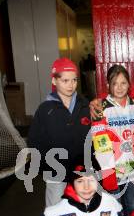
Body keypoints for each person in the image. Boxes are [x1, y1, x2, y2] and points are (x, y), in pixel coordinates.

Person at [28, 58, 91, 207]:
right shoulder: (45, 109)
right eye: (65, 81)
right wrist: (47, 165)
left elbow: (94, 136)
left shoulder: (85, 105)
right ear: (55, 81)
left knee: (82, 210)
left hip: (81, 171)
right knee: (55, 211)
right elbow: (35, 141)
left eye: (74, 80)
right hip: (56, 172)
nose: (71, 85)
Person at [92, 64, 134, 216]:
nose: (119, 87)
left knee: (133, 206)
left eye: (123, 83)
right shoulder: (100, 108)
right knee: (116, 209)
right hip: (112, 170)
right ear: (108, 85)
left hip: (132, 168)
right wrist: (108, 171)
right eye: (115, 83)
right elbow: (99, 142)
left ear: (129, 84)